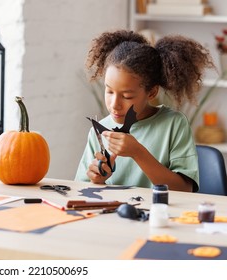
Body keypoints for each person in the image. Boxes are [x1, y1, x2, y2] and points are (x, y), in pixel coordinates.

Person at [75, 29, 216, 192]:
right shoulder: (99, 131)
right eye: (109, 91)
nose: (115, 104)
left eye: (127, 96)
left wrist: (138, 152)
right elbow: (81, 190)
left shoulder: (174, 124)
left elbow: (185, 189)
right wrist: (97, 180)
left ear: (152, 92)